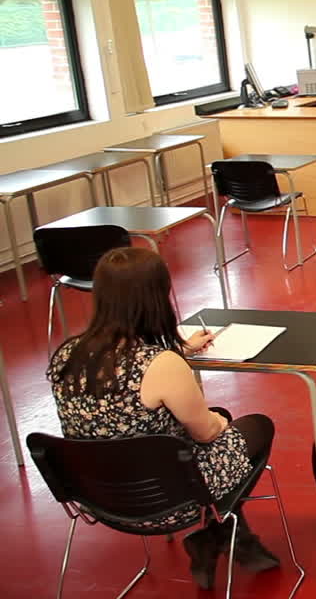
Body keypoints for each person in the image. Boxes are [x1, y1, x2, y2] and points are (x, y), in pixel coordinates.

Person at [46, 247, 279, 590]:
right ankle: (217, 532)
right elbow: (204, 433)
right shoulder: (158, 365)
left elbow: (119, 375)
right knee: (256, 425)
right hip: (167, 501)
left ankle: (220, 536)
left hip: (98, 497)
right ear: (156, 297)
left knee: (196, 433)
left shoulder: (67, 353)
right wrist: (218, 420)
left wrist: (179, 350)